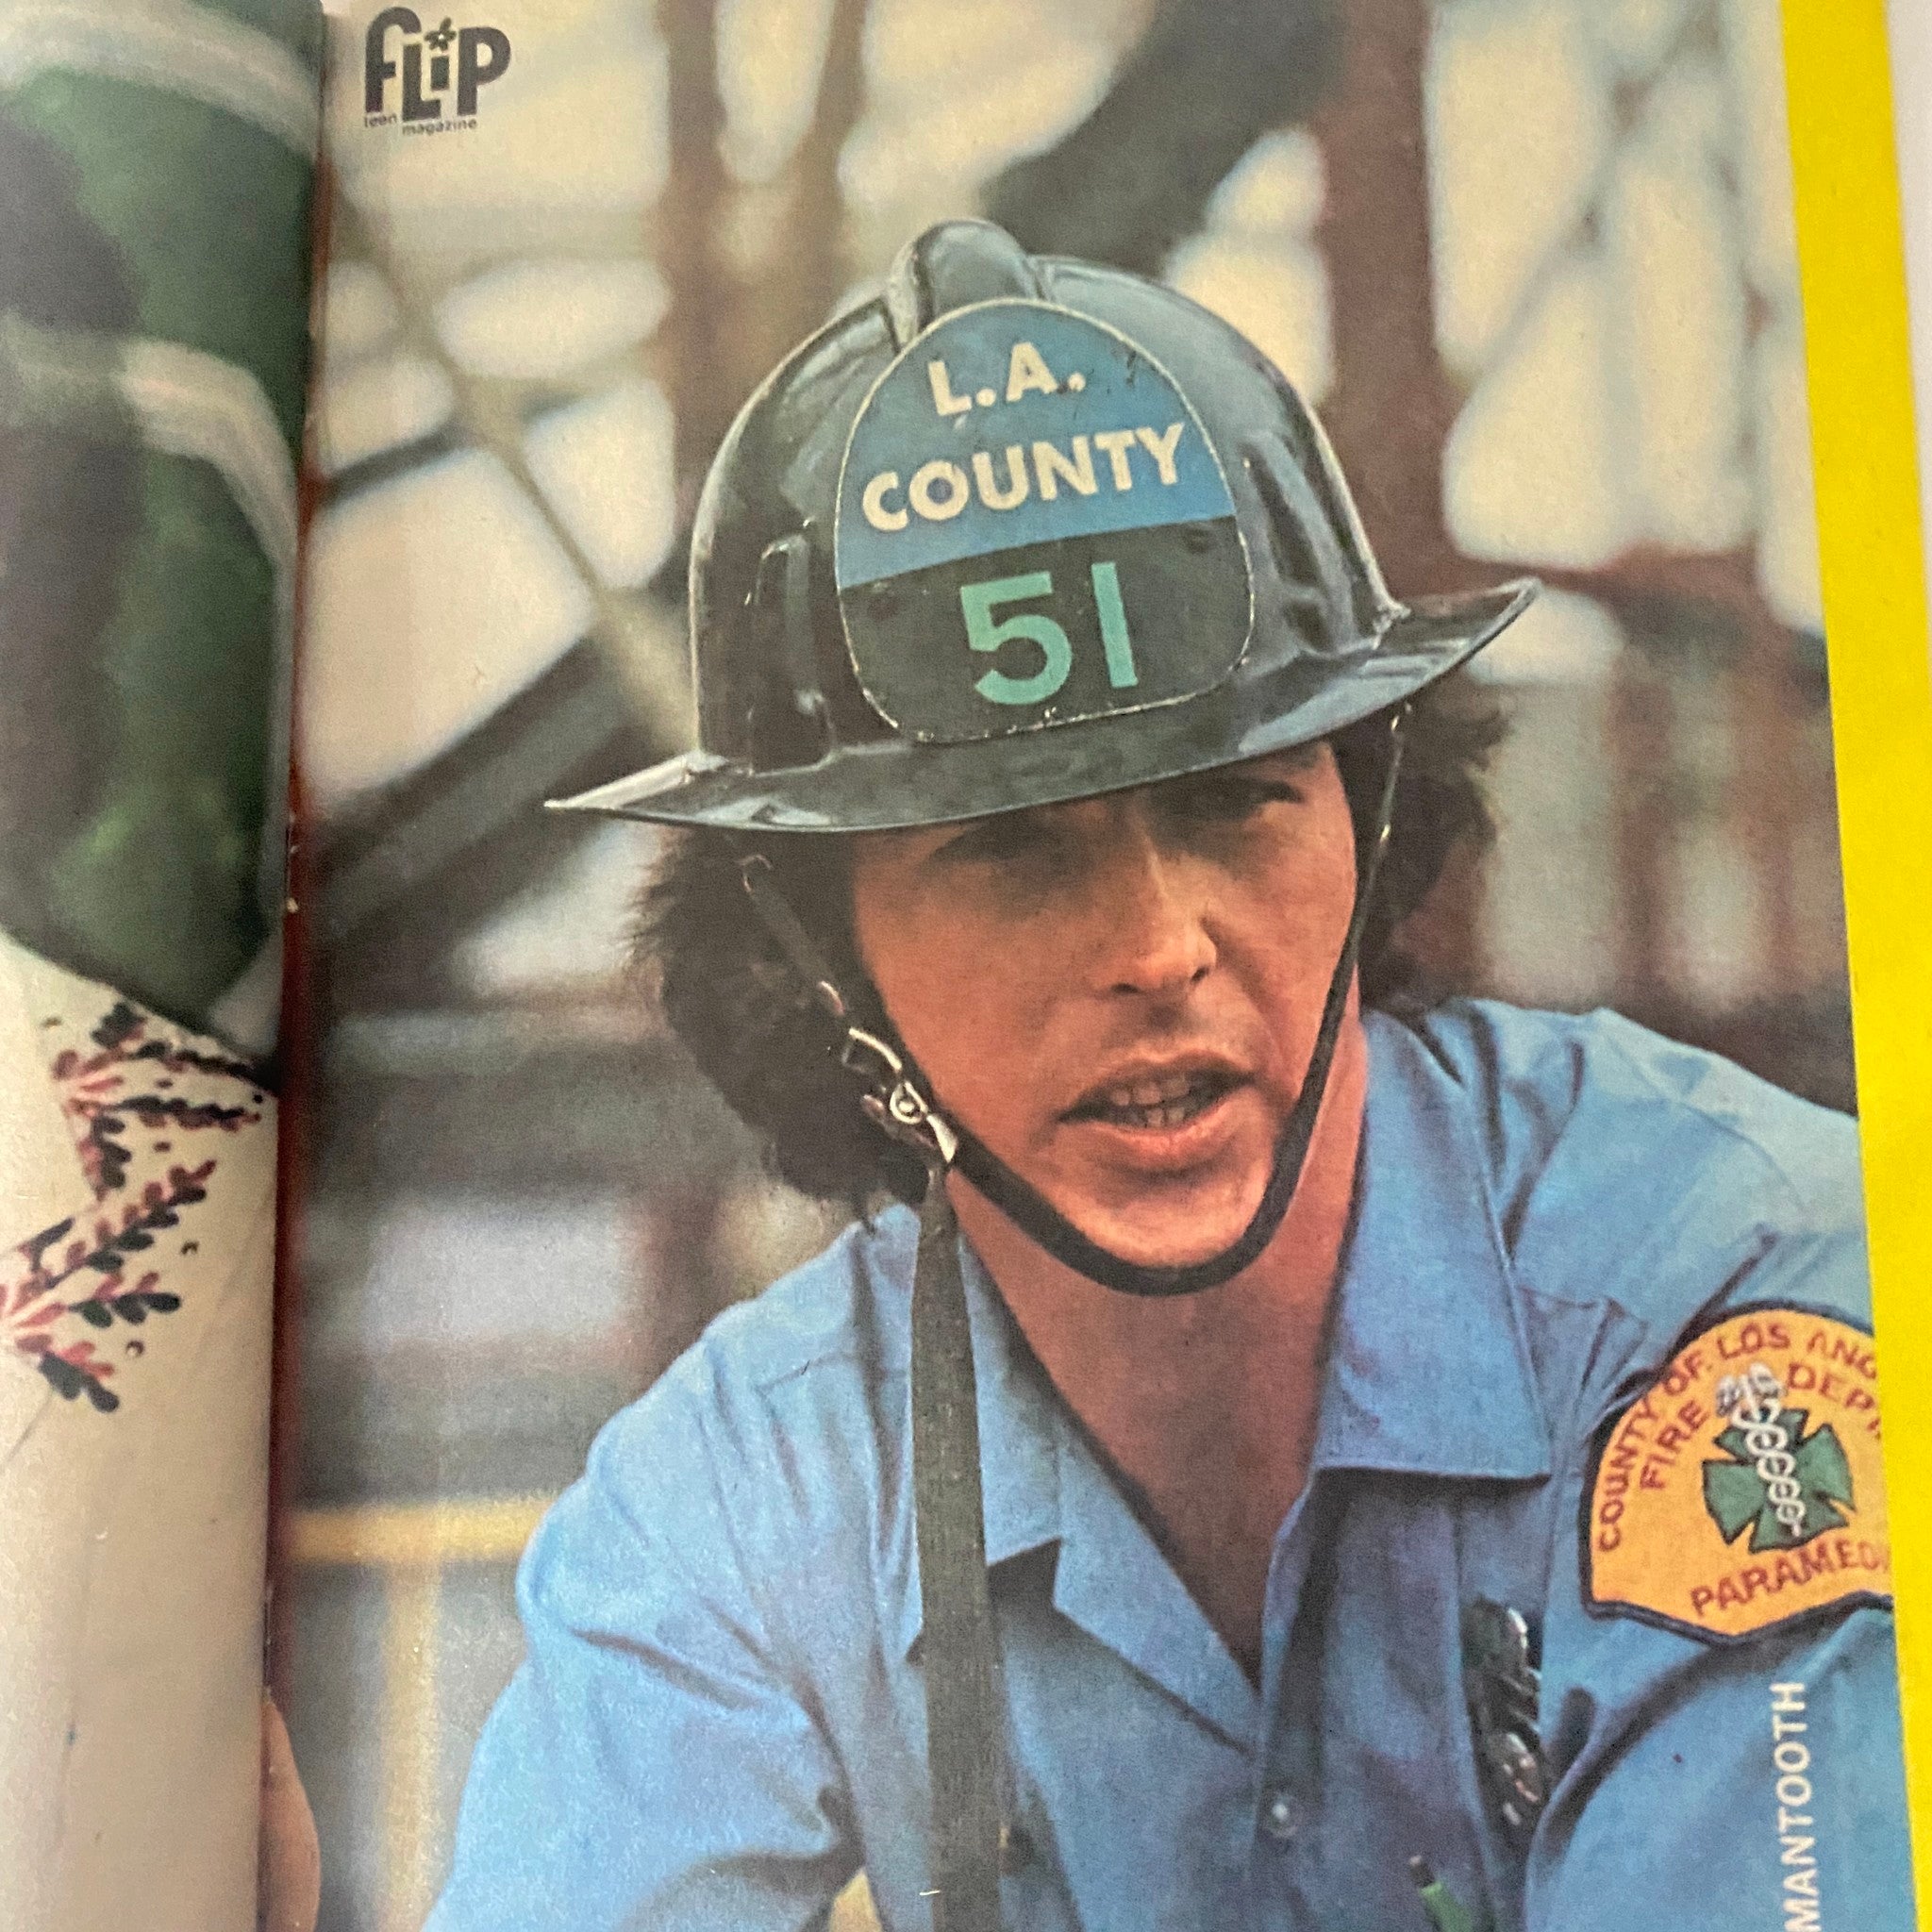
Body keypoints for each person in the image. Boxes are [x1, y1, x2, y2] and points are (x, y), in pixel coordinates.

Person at [429, 220, 1910, 1931]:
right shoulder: (746, 1489)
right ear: (817, 953)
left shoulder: (1730, 1300)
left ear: (1370, 815)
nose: (1156, 946)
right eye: (1008, 851)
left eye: (1234, 802)